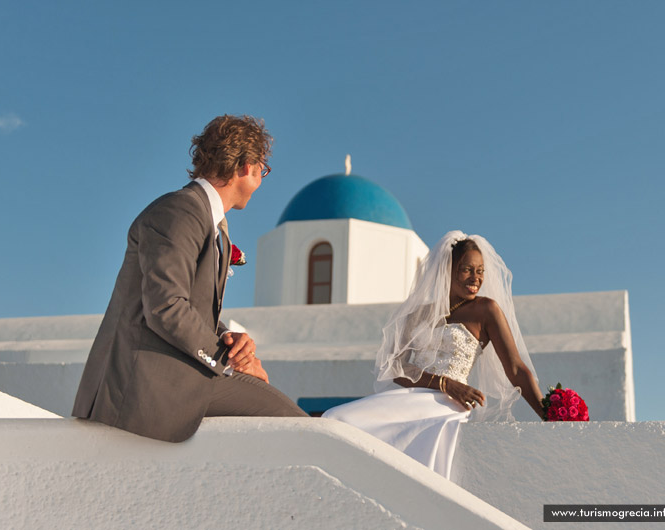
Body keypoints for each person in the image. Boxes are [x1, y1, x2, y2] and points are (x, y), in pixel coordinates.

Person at [72, 115, 307, 442]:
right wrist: (229, 363)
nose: (261, 181)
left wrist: (232, 343)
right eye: (262, 170)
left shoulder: (208, 224)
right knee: (296, 425)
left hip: (179, 376)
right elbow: (166, 307)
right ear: (246, 167)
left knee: (288, 419)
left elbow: (190, 308)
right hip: (144, 388)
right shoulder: (180, 211)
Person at [323, 231, 543, 478]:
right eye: (467, 269)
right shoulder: (418, 314)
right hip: (409, 397)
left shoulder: (485, 309)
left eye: (480, 271)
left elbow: (515, 369)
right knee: (336, 418)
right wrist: (445, 383)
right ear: (447, 269)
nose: (476, 278)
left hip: (446, 406)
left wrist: (549, 415)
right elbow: (395, 367)